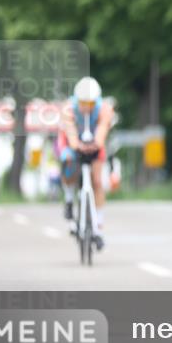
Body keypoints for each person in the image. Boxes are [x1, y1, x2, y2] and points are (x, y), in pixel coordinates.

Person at [58, 76, 115, 250]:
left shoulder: (105, 109)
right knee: (69, 165)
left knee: (97, 181)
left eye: (91, 104)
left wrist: (96, 144)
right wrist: (77, 145)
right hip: (72, 142)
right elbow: (70, 132)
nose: (86, 108)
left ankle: (98, 225)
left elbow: (103, 128)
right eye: (83, 103)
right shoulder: (68, 109)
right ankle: (69, 199)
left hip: (94, 144)